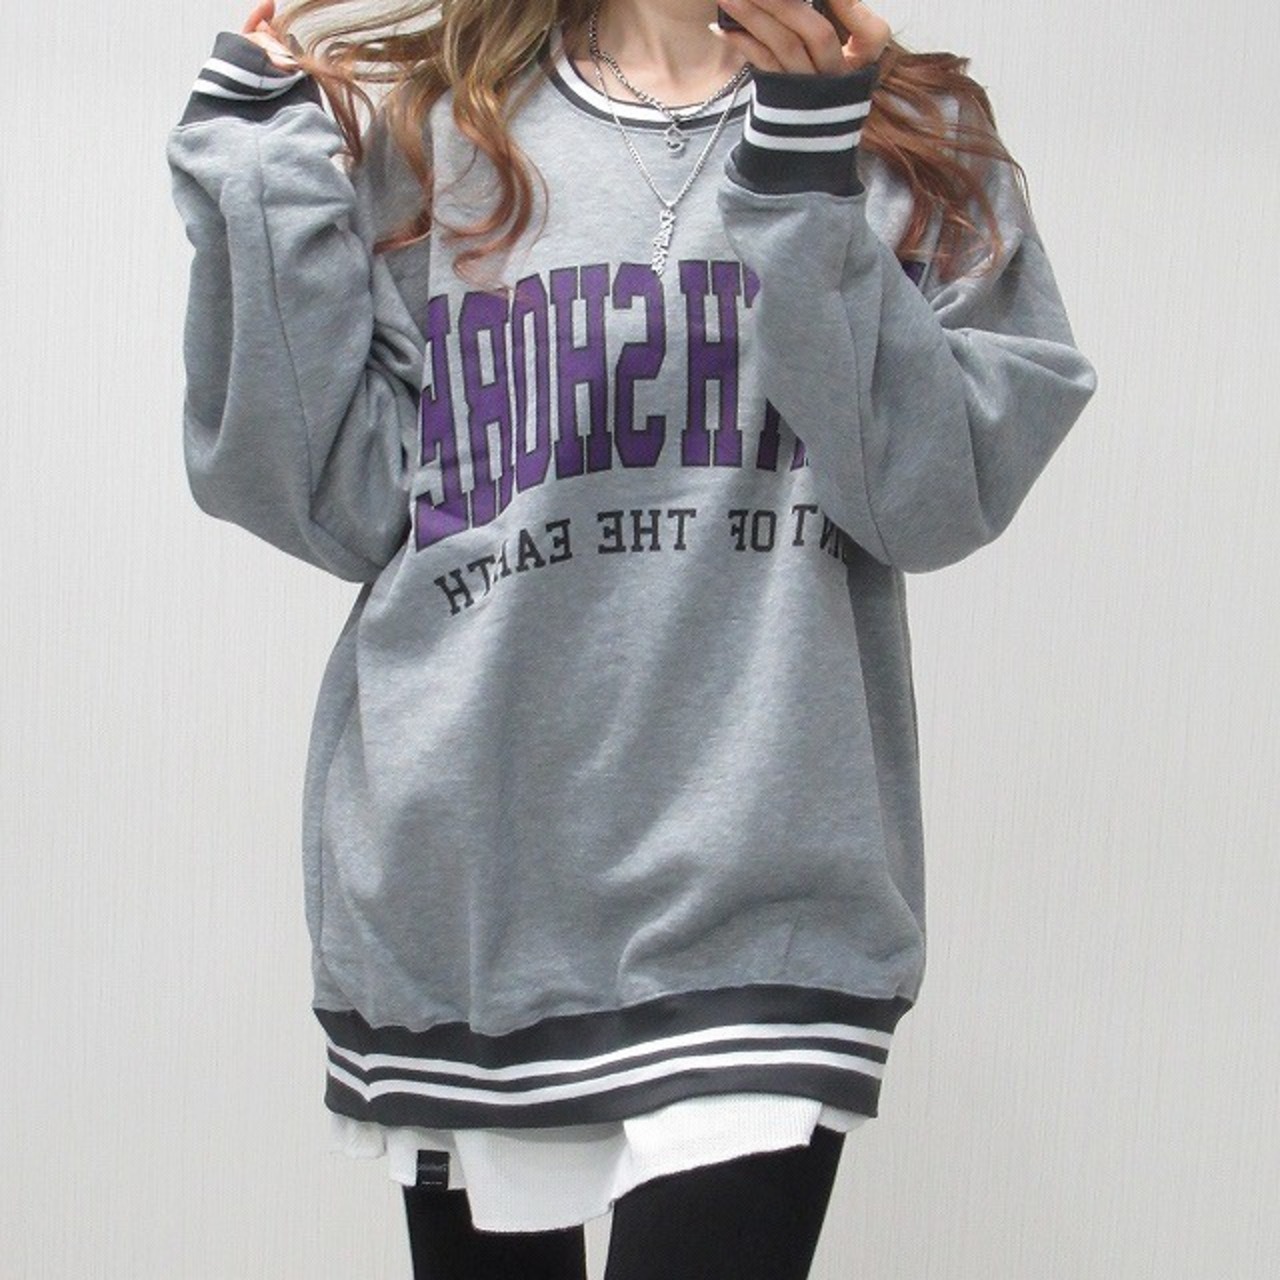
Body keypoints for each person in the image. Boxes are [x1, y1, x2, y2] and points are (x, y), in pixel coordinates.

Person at [165, 0, 1098, 1275]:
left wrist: (805, 177)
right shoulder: (438, 123)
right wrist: (256, 175)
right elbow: (331, 500)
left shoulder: (907, 134)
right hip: (472, 890)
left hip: (764, 894)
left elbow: (927, 502)